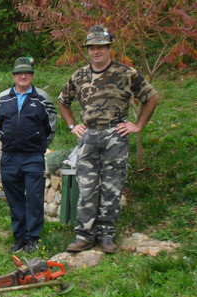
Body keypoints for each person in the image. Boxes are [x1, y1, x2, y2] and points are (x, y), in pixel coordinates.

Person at [58, 25, 159, 253]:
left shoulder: (126, 73)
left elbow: (151, 97)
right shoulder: (79, 75)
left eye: (101, 47)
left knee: (112, 187)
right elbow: (63, 101)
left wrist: (138, 125)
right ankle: (84, 235)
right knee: (87, 188)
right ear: (88, 50)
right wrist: (73, 125)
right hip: (89, 136)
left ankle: (106, 236)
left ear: (109, 48)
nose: (96, 51)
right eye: (92, 47)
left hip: (116, 135)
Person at [0, 57, 57, 253]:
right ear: (13, 76)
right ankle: (20, 237)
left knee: (35, 198)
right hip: (10, 156)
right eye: (19, 73)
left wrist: (40, 145)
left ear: (32, 75)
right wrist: (6, 138)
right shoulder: (3, 98)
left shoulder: (42, 98)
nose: (23, 76)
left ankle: (33, 238)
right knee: (15, 198)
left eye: (27, 73)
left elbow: (51, 125)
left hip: (33, 157)